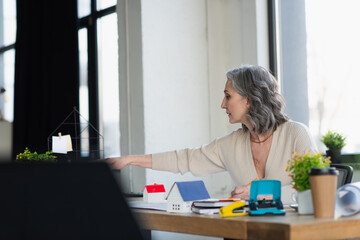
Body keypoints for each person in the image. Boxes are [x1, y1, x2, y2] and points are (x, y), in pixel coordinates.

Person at [106, 65, 318, 200]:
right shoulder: (231, 145)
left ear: (249, 99)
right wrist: (129, 160)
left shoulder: (296, 134)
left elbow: (316, 190)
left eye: (228, 96)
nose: (222, 105)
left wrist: (259, 193)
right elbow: (185, 160)